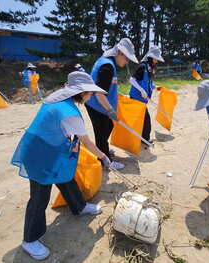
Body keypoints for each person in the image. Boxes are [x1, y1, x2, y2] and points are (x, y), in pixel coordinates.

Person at [11, 71, 111, 260]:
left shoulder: (58, 99)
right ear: (81, 93)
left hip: (49, 146)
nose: (90, 96)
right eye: (89, 92)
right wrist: (104, 157)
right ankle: (30, 240)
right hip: (40, 153)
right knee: (39, 196)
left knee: (65, 177)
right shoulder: (70, 113)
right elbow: (87, 143)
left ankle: (79, 206)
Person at [85, 38, 139, 170]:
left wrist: (117, 95)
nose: (126, 62)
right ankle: (106, 161)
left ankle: (103, 151)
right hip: (96, 105)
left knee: (108, 126)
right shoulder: (107, 66)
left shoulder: (109, 64)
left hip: (100, 104)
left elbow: (108, 87)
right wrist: (110, 111)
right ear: (119, 52)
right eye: (126, 59)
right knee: (101, 132)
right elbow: (99, 93)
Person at [129, 46, 164, 143]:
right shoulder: (142, 66)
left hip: (143, 99)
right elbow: (131, 80)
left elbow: (149, 84)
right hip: (136, 97)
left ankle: (140, 139)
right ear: (152, 57)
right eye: (156, 58)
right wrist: (141, 90)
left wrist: (156, 87)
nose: (157, 60)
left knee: (141, 120)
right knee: (145, 121)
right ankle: (144, 140)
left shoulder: (151, 69)